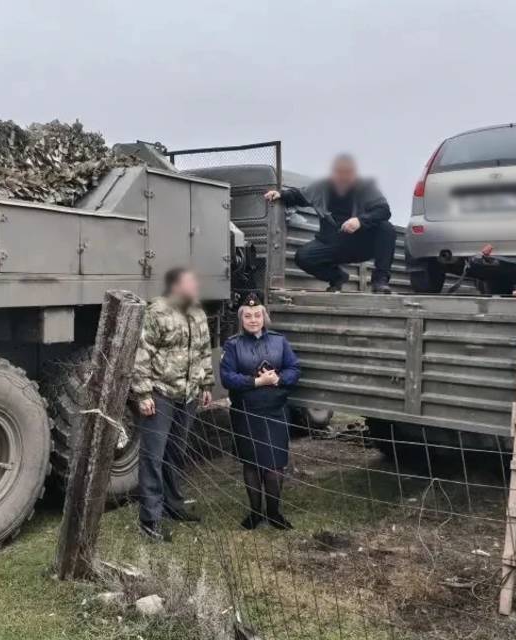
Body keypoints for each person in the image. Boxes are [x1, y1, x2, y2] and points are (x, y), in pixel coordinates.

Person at [131, 267, 214, 542]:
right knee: (152, 457)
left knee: (176, 452)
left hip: (188, 395)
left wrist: (206, 385)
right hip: (161, 394)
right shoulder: (157, 312)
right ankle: (150, 520)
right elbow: (142, 353)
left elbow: (204, 351)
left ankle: (173, 506)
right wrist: (143, 394)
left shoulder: (198, 313)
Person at [220, 293, 300, 530]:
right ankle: (255, 513)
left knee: (275, 465)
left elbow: (294, 368)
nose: (253, 319)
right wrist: (255, 383)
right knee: (252, 464)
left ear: (264, 317)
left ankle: (274, 513)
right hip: (247, 412)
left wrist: (278, 379)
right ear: (241, 318)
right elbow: (227, 378)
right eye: (248, 315)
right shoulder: (232, 344)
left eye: (257, 315)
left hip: (275, 411)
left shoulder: (279, 341)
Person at [265, 153, 395, 294]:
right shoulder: (322, 187)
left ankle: (380, 281)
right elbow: (299, 195)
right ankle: (338, 277)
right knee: (303, 257)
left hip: (361, 242)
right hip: (332, 241)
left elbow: (384, 210)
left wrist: (360, 221)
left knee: (386, 228)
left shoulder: (366, 188)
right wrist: (281, 194)